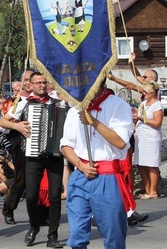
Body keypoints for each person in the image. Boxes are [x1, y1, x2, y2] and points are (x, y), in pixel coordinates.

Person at [61, 80, 133, 249]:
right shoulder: (74, 109)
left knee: (113, 235)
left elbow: (121, 142)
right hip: (81, 174)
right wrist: (80, 164)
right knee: (77, 234)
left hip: (108, 178)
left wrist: (93, 121)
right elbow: (65, 145)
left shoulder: (118, 105)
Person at [15, 72, 64, 248]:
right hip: (33, 156)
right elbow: (3, 122)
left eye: (44, 82)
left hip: (55, 156)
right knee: (31, 196)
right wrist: (17, 125)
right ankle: (34, 227)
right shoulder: (24, 103)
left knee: (55, 197)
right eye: (38, 83)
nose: (42, 85)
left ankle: (52, 235)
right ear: (31, 85)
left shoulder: (59, 103)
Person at [0, 71, 33, 225]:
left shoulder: (45, 99)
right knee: (21, 179)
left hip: (40, 146)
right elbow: (2, 124)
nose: (28, 83)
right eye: (25, 80)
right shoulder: (17, 102)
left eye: (30, 80)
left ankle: (41, 213)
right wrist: (16, 125)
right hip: (20, 145)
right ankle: (8, 209)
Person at [133, 81, 163, 199]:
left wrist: (143, 118)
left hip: (151, 137)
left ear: (153, 92)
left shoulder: (157, 105)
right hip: (141, 137)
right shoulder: (143, 103)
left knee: (151, 164)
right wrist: (136, 116)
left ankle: (153, 191)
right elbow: (139, 118)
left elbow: (157, 123)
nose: (144, 93)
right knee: (141, 164)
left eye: (146, 91)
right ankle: (147, 188)